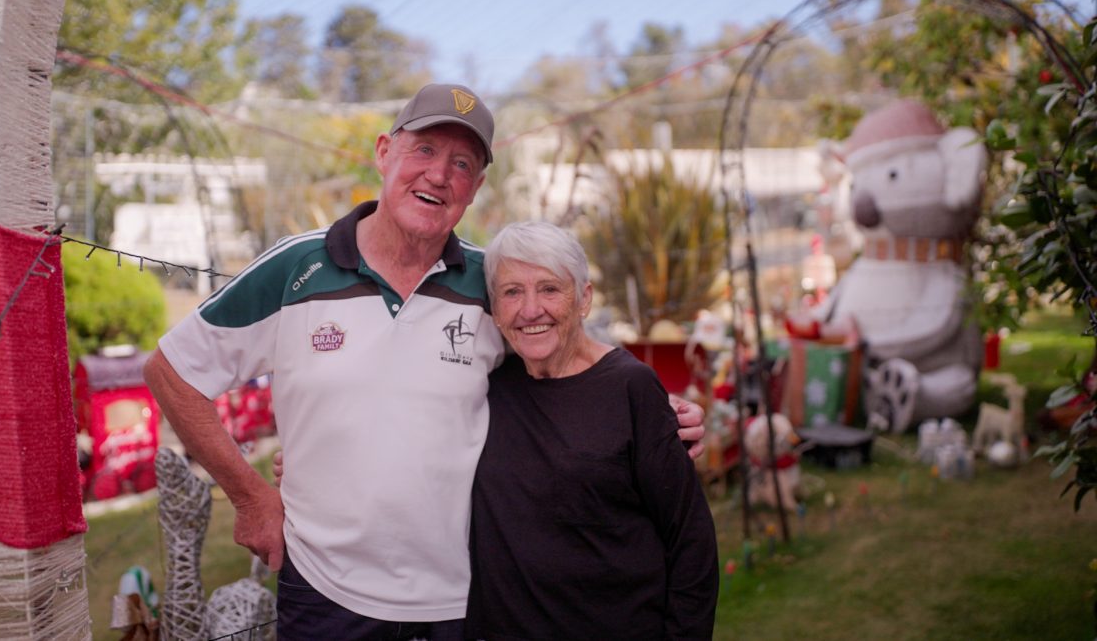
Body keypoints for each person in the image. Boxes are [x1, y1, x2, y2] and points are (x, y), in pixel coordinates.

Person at [145, 83, 706, 639]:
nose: (439, 174)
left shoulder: (494, 283)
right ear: (385, 152)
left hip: (464, 596)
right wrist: (250, 498)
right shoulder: (298, 269)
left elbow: (573, 350)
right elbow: (172, 372)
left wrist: (652, 412)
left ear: (476, 188)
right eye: (425, 150)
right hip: (325, 591)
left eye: (462, 163)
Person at [465, 221, 719, 640]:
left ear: (584, 298)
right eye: (512, 292)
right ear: (493, 307)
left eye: (549, 289)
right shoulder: (486, 384)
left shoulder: (630, 387)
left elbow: (690, 541)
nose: (531, 310)